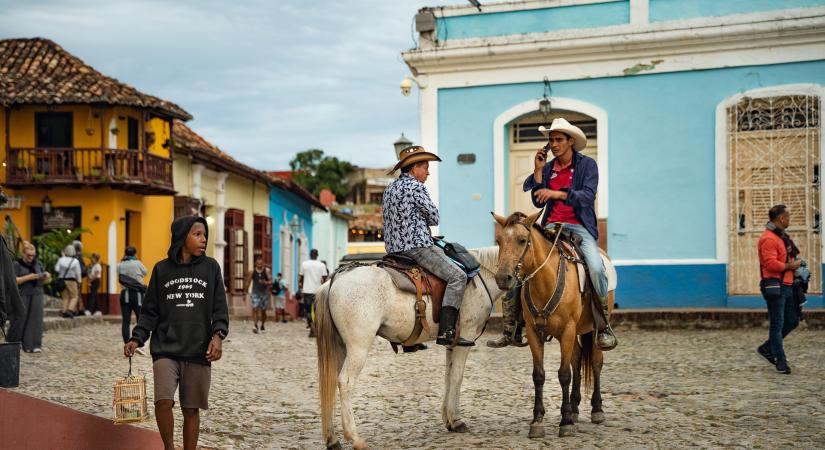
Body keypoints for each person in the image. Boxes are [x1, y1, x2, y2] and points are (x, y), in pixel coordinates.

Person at [488, 118, 617, 351]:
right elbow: (538, 199)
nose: (554, 144)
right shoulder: (548, 169)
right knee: (521, 263)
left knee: (597, 268)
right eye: (551, 140)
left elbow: (587, 196)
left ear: (570, 141)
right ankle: (512, 327)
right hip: (550, 226)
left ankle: (603, 325)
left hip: (579, 227)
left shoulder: (587, 165)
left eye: (559, 139)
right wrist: (538, 171)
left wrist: (557, 194)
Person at [124, 216, 229, 450]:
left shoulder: (211, 267)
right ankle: (169, 448)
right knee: (163, 402)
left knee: (190, 408)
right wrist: (137, 337)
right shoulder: (162, 269)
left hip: (198, 350)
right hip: (165, 349)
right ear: (183, 237)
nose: (203, 240)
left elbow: (219, 307)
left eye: (204, 235)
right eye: (197, 234)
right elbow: (150, 310)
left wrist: (218, 335)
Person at [382, 145, 474, 347]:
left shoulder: (389, 188)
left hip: (393, 250)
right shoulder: (416, 187)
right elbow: (434, 217)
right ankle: (447, 331)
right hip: (418, 247)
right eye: (425, 167)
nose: (428, 172)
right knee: (458, 276)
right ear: (414, 168)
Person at [756, 204, 802, 375]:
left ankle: (767, 348)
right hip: (775, 286)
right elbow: (770, 263)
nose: (789, 220)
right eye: (788, 217)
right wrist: (790, 265)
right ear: (781, 219)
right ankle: (780, 361)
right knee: (777, 325)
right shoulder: (769, 238)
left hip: (788, 285)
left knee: (792, 321)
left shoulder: (782, 237)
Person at [13, 241, 47, 352]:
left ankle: (33, 345)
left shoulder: (38, 264)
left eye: (33, 255)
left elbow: (43, 274)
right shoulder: (16, 264)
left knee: (35, 320)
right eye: (28, 255)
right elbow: (14, 280)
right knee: (20, 320)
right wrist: (28, 277)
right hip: (23, 294)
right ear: (23, 254)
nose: (31, 257)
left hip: (37, 294)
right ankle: (14, 344)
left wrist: (46, 276)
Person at [118, 246, 148, 351]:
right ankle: (138, 341)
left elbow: (119, 274)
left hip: (124, 294)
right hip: (137, 295)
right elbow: (145, 272)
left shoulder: (120, 264)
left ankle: (127, 342)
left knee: (126, 320)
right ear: (135, 253)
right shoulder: (138, 263)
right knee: (140, 318)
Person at [299, 249, 328, 338]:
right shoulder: (322, 265)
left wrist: (301, 288)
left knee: (307, 311)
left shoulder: (304, 264)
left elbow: (301, 278)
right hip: (318, 291)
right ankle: (315, 327)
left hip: (307, 290)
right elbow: (324, 278)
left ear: (310, 254)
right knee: (317, 311)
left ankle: (312, 327)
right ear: (317, 255)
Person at [244, 257, 272, 333]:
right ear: (255, 264)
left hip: (264, 293)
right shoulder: (252, 272)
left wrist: (265, 282)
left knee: (263, 311)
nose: (260, 265)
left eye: (261, 263)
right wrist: (245, 292)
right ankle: (255, 325)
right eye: (258, 263)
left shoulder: (266, 271)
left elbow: (270, 281)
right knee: (255, 308)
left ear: (263, 264)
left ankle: (262, 325)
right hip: (255, 293)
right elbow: (248, 282)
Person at [55, 245, 82, 318]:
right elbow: (78, 273)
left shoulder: (61, 259)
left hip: (62, 280)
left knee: (65, 297)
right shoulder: (75, 261)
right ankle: (70, 310)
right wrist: (79, 281)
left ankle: (64, 311)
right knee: (74, 296)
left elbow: (56, 269)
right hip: (71, 280)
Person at [73, 240, 89, 315]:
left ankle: (78, 309)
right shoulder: (80, 256)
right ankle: (80, 308)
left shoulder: (74, 256)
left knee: (75, 294)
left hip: (75, 277)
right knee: (77, 293)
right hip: (78, 277)